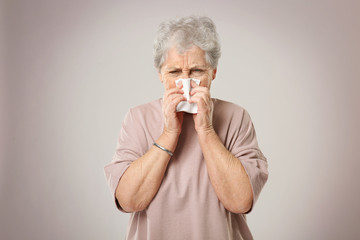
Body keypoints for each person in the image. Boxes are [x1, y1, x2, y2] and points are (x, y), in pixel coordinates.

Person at [104, 15, 268, 240]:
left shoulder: (236, 117)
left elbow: (241, 201)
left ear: (213, 72)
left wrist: (207, 131)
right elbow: (128, 200)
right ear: (160, 74)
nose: (186, 83)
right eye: (174, 72)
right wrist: (170, 133)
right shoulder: (137, 118)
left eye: (196, 71)